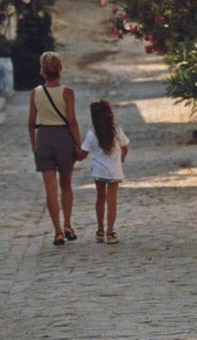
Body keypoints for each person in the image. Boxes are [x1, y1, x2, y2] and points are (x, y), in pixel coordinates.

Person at [27, 51, 87, 246]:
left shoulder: (35, 93)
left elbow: (30, 122)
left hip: (43, 137)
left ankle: (57, 232)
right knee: (66, 184)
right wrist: (79, 145)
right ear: (60, 69)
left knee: (50, 188)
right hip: (63, 138)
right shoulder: (67, 92)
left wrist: (34, 145)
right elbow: (72, 121)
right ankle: (68, 224)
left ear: (42, 71)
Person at [81, 100, 129, 245]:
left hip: (99, 170)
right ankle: (110, 232)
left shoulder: (92, 133)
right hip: (114, 171)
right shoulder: (117, 131)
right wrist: (121, 159)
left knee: (100, 198)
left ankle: (100, 230)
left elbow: (83, 152)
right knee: (112, 200)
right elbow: (125, 146)